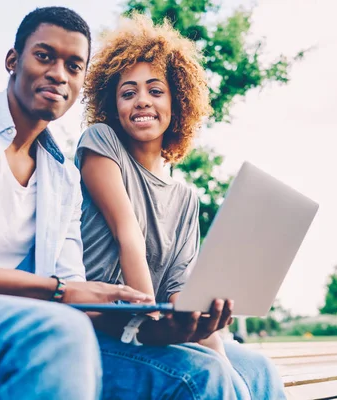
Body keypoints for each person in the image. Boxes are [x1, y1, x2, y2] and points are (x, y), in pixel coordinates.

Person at [0, 7, 250, 400]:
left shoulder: (62, 179)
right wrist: (60, 291)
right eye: (44, 56)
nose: (58, 73)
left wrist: (168, 328)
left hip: (15, 326)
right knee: (57, 332)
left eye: (73, 65)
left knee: (206, 376)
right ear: (12, 60)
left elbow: (82, 305)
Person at [76, 14, 286, 399]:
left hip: (155, 331)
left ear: (178, 100)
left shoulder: (187, 197)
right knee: (203, 374)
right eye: (128, 92)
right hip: (99, 329)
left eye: (156, 90)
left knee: (256, 369)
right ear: (113, 104)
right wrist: (154, 324)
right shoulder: (101, 142)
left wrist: (203, 325)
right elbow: (129, 235)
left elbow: (177, 288)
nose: (142, 100)